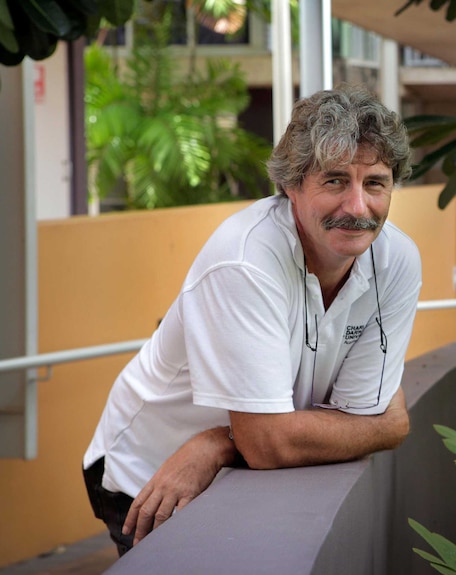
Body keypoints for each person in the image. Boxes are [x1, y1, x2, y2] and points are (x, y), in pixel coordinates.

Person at [82, 85, 421, 556]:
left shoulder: (397, 261)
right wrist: (382, 427)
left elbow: (360, 418)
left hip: (233, 466)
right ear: (291, 185)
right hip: (151, 470)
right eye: (335, 181)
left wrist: (222, 442)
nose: (359, 208)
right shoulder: (244, 261)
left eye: (376, 183)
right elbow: (277, 444)